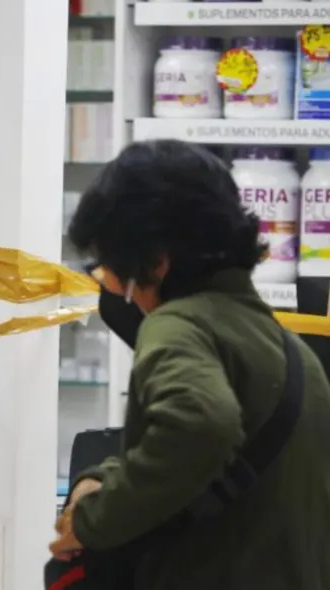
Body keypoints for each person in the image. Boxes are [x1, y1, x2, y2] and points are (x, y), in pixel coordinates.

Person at [51, 139, 330, 589]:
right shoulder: (292, 352)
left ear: (157, 261)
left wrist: (94, 520)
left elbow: (200, 423)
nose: (115, 287)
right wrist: (103, 478)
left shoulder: (179, 327)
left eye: (111, 269)